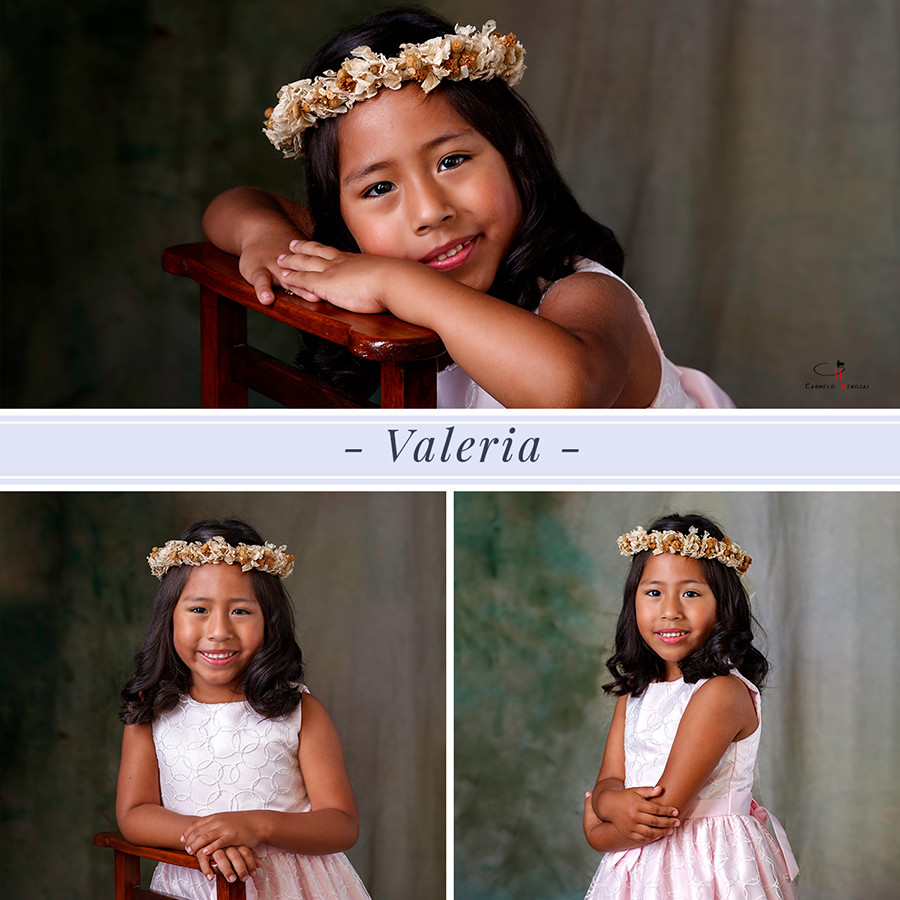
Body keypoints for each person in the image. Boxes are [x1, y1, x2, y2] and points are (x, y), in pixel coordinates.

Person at [202, 8, 735, 409]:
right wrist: (266, 239)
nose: (430, 211)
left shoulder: (585, 294)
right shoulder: (364, 248)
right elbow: (235, 204)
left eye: (452, 160)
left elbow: (567, 392)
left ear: (516, 161)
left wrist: (397, 284)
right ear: (343, 221)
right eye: (379, 189)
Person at [116, 518, 372, 900]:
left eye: (240, 611)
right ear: (169, 617)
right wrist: (213, 835)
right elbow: (134, 813)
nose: (219, 630)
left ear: (269, 621)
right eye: (199, 609)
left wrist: (256, 826)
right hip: (193, 885)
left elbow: (341, 824)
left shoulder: (300, 710)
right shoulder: (150, 711)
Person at [582, 514, 799, 899]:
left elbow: (660, 814)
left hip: (708, 868)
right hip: (636, 870)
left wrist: (598, 828)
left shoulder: (721, 693)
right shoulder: (636, 690)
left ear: (723, 604)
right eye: (653, 593)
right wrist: (607, 798)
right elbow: (609, 779)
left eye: (691, 593)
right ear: (632, 602)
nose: (670, 611)